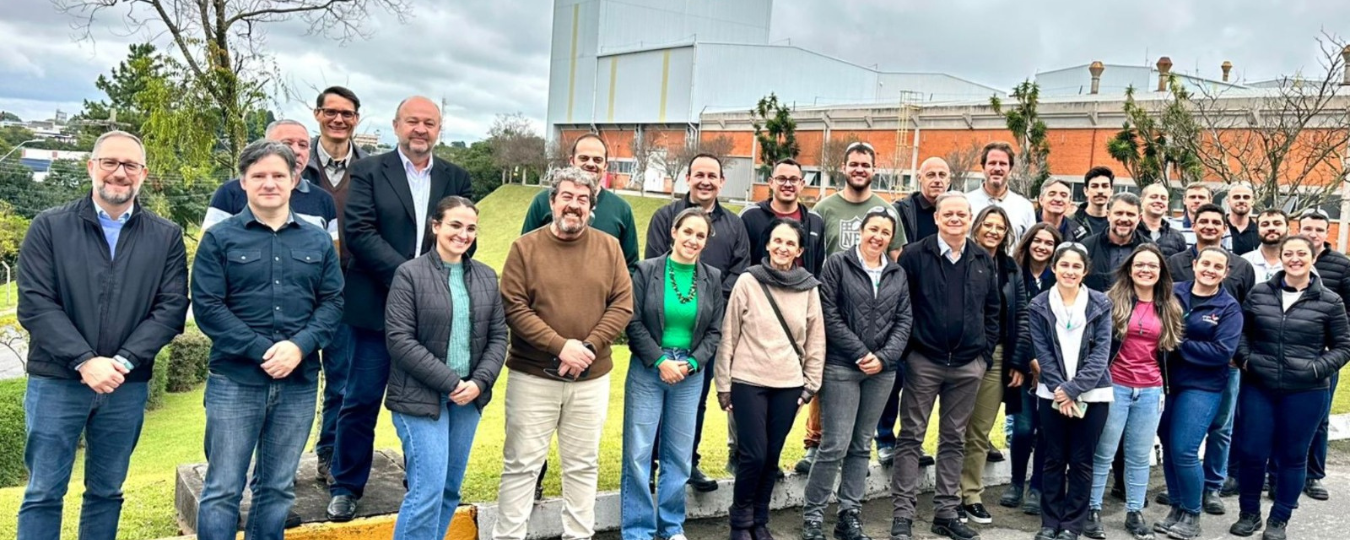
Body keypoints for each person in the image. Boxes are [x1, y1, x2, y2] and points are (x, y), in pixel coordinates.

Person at [16, 130, 189, 540]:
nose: (119, 173)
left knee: (107, 492)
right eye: (110, 162)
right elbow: (36, 304)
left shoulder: (166, 236)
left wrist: (123, 362)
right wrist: (84, 360)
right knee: (43, 492)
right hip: (57, 380)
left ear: (143, 174)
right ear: (92, 166)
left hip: (124, 385)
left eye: (130, 165)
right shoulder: (50, 227)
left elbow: (169, 310)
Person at [328, 96, 476, 521]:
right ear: (396, 125)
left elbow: (467, 235)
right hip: (375, 303)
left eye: (429, 123)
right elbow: (357, 230)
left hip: (434, 315)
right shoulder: (370, 170)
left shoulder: (456, 176)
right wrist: (411, 276)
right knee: (359, 398)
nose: (420, 129)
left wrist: (427, 283)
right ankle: (346, 484)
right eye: (413, 121)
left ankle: (422, 482)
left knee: (428, 399)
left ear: (438, 130)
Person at [192, 140, 344, 540]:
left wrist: (298, 347)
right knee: (223, 489)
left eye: (278, 175)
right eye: (259, 175)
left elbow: (332, 303)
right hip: (235, 382)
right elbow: (208, 308)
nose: (269, 183)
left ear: (294, 180)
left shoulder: (316, 242)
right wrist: (263, 350)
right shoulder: (219, 239)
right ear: (243, 181)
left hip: (298, 383)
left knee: (277, 488)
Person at [493, 167, 634, 540]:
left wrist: (587, 347)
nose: (574, 205)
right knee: (522, 465)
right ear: (552, 202)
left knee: (583, 466)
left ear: (592, 206)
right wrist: (561, 347)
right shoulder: (525, 248)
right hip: (533, 377)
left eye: (583, 199)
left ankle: (579, 536)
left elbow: (622, 304)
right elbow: (514, 307)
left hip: (591, 378)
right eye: (567, 197)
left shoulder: (610, 247)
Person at [383, 196, 507, 540]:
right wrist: (452, 382)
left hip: (468, 399)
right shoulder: (409, 274)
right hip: (420, 398)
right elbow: (399, 340)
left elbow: (498, 336)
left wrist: (479, 383)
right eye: (455, 225)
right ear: (435, 226)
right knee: (427, 490)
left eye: (470, 228)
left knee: (450, 490)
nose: (463, 234)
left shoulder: (485, 275)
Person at [889, 192, 1000, 540]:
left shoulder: (982, 258)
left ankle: (946, 512)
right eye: (948, 213)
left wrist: (983, 354)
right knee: (910, 437)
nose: (955, 219)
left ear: (971, 219)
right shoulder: (914, 255)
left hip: (968, 365)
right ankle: (903, 515)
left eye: (962, 214)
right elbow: (900, 305)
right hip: (924, 361)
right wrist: (908, 352)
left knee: (953, 439)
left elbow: (993, 310)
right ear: (937, 218)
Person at [1229, 235, 1350, 540]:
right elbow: (1242, 334)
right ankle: (1249, 513)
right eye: (1289, 253)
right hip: (1260, 386)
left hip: (1306, 392)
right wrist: (1247, 361)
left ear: (1312, 258)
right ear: (1281, 258)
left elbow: (1343, 347)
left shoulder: (1330, 301)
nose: (1295, 259)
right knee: (1252, 452)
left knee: (1293, 456)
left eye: (1301, 254)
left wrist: (1315, 368)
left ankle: (1279, 519)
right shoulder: (1259, 294)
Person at [802, 209, 912, 540]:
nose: (878, 236)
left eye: (885, 232)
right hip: (841, 366)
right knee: (834, 443)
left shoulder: (897, 273)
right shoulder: (838, 264)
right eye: (873, 229)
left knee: (862, 444)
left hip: (882, 371)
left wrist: (883, 358)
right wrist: (860, 353)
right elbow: (828, 312)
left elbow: (904, 320)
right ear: (860, 231)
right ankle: (813, 515)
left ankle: (849, 514)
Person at [644, 155, 749, 491]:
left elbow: (740, 269)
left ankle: (688, 462)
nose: (705, 181)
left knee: (696, 400)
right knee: (654, 405)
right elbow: (654, 267)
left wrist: (709, 298)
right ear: (688, 178)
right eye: (699, 174)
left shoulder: (734, 225)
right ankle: (649, 465)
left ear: (721, 182)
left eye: (712, 176)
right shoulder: (665, 217)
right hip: (663, 331)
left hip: (707, 330)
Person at [716, 219, 825, 540]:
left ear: (800, 250)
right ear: (767, 244)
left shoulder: (808, 287)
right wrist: (723, 385)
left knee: (772, 455)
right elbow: (728, 334)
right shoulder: (749, 281)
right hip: (748, 380)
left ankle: (759, 521)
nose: (782, 248)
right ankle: (739, 522)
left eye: (790, 243)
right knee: (754, 454)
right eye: (777, 241)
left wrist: (810, 385)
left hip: (789, 384)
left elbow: (816, 340)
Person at [621, 208, 726, 540]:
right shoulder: (647, 270)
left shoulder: (712, 277)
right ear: (674, 232)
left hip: (690, 372)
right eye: (688, 232)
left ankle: (671, 527)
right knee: (638, 453)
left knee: (678, 455)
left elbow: (714, 332)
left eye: (700, 235)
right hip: (648, 368)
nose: (693, 240)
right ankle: (638, 529)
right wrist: (659, 361)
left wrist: (692, 364)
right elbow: (632, 321)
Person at [805, 141, 904, 474]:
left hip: (873, 312)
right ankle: (813, 443)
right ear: (844, 168)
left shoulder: (886, 210)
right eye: (854, 164)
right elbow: (815, 256)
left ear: (874, 170)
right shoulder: (823, 208)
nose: (860, 169)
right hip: (834, 306)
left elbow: (894, 262)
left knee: (859, 433)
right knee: (824, 384)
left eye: (866, 164)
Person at [1084, 245, 1184, 540]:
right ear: (1129, 269)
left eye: (1152, 266)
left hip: (1150, 390)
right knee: (1103, 451)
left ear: (1161, 272)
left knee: (1140, 456)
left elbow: (1170, 351)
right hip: (1114, 386)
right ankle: (1092, 509)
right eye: (1139, 264)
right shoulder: (1110, 302)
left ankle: (1134, 511)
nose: (1145, 270)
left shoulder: (1169, 306)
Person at [1026, 243, 1114, 540]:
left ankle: (1072, 526)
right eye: (1064, 265)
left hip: (1094, 395)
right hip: (1051, 395)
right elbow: (1043, 353)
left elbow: (1101, 353)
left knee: (1081, 460)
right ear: (1054, 268)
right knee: (1052, 458)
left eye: (1077, 266)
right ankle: (1050, 523)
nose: (1070, 271)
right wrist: (1061, 391)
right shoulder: (1039, 305)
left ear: (1085, 271)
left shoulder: (1101, 303)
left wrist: (1073, 390)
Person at [1154, 248, 1242, 540]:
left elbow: (1221, 352)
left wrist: (1177, 342)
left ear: (1226, 272)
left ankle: (1192, 515)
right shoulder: (1172, 293)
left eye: (1218, 266)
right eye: (1205, 263)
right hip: (1165, 382)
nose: (1210, 270)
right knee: (1168, 446)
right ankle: (1177, 508)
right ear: (1194, 265)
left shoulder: (1228, 308)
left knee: (1184, 449)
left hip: (1202, 386)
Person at [303, 86, 369, 481]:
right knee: (296, 377)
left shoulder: (371, 170)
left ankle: (330, 453)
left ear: (356, 119)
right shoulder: (295, 165)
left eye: (347, 113)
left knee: (343, 381)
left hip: (350, 291)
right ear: (318, 115)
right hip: (298, 292)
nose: (339, 119)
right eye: (331, 112)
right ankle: (277, 464)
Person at [958, 205, 1032, 525]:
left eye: (999, 227)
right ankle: (948, 493)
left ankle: (970, 494)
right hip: (959, 354)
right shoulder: (960, 258)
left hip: (998, 355)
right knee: (953, 427)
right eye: (987, 225)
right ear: (976, 227)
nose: (992, 231)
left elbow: (1022, 315)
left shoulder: (1011, 269)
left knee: (979, 430)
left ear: (1006, 234)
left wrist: (1017, 360)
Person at [1001, 223, 1064, 516]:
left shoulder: (1061, 277)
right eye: (1037, 241)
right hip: (1021, 365)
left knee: (1046, 431)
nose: (1042, 247)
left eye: (1048, 243)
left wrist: (1046, 364)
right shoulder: (1013, 272)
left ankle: (1037, 486)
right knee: (1024, 428)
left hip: (1054, 368)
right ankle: (1015, 482)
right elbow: (1015, 322)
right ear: (1028, 243)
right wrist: (1028, 361)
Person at [1294, 209, 1350, 502]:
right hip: (1289, 353)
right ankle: (1279, 471)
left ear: (1327, 233)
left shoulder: (1341, 265)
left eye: (1318, 229)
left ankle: (1314, 476)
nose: (1312, 234)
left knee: (1320, 418)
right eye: (1307, 228)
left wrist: (1334, 347)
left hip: (1324, 356)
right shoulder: (1290, 259)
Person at [522, 133, 639, 268]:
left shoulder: (621, 210)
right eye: (584, 158)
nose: (590, 164)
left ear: (605, 165)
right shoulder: (543, 202)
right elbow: (525, 252)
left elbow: (631, 266)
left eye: (597, 160)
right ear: (572, 161)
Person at [740, 158, 826, 275]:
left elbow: (819, 267)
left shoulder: (815, 221)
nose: (787, 184)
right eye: (781, 179)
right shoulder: (750, 217)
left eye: (793, 179)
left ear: (802, 184)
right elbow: (739, 261)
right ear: (771, 182)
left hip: (801, 291)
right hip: (758, 291)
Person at [1165, 203, 1257, 306]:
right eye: (1204, 222)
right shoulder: (1174, 263)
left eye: (1216, 223)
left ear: (1225, 229)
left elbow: (1248, 308)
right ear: (1194, 226)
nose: (1209, 226)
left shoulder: (1242, 267)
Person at [966, 141, 1036, 244]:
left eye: (1003, 164)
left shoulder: (1025, 207)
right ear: (983, 167)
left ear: (1010, 169)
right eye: (992, 163)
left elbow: (1028, 247)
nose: (997, 168)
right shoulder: (966, 202)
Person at [1081, 193, 1149, 292]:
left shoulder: (1149, 250)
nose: (1124, 219)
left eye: (1130, 214)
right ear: (1108, 215)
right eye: (1119, 213)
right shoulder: (1087, 247)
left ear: (1139, 219)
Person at [895, 156, 952, 243]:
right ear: (919, 178)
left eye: (942, 175)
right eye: (931, 175)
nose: (937, 180)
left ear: (948, 179)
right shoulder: (901, 211)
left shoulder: (957, 211)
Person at [1171, 184, 1230, 250]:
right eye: (1192, 197)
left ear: (1210, 200)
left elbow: (1229, 255)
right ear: (1184, 200)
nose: (1197, 201)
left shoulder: (1220, 227)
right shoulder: (1172, 225)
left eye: (1201, 197)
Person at [1240, 210, 1289, 283]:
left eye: (1277, 224)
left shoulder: (1298, 262)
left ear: (1288, 228)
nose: (1271, 228)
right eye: (1265, 224)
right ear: (1257, 230)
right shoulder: (1243, 262)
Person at [1138, 184, 1187, 257]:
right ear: (1142, 201)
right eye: (1153, 197)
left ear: (1167, 205)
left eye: (1163, 198)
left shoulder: (1177, 237)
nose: (1159, 201)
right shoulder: (1131, 232)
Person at [1078, 167, 1115, 235]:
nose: (1100, 191)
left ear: (1111, 191)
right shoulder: (1072, 222)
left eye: (1105, 186)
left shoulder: (1118, 222)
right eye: (1094, 186)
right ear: (1086, 191)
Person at [1225, 184, 1259, 255]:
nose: (1241, 200)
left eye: (1246, 197)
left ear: (1252, 201)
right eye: (1236, 197)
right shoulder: (1218, 228)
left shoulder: (1259, 231)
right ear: (1228, 201)